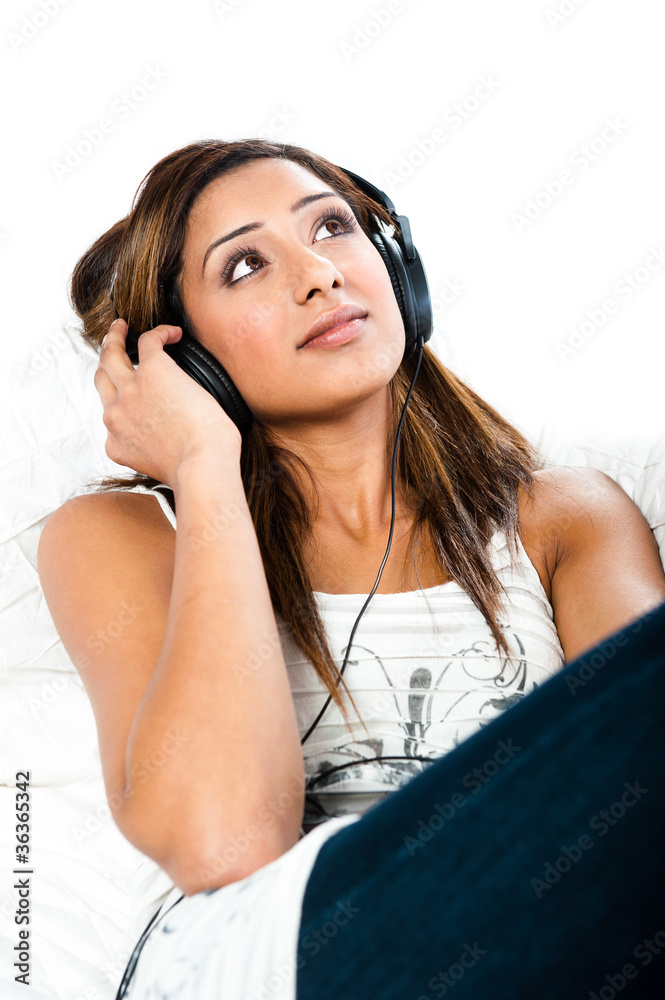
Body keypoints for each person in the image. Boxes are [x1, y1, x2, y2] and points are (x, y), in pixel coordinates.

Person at [37, 138, 665, 999]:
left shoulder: (565, 517)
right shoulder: (127, 532)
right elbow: (224, 845)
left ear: (397, 267)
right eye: (246, 264)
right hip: (263, 965)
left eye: (332, 227)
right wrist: (203, 465)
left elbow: (634, 800)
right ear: (186, 360)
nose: (318, 275)